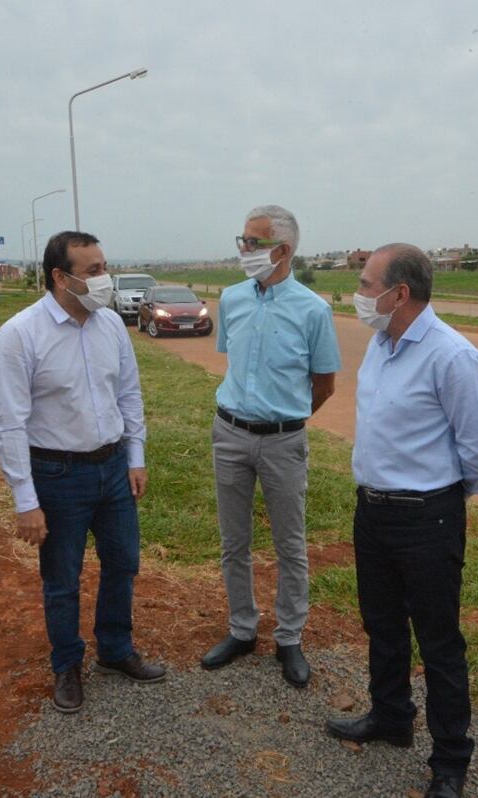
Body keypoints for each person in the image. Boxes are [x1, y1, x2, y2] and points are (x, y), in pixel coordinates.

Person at [326, 244, 478, 798]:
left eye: (365, 282)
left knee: (439, 641)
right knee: (381, 624)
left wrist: (441, 502)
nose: (357, 292)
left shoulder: (452, 356)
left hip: (427, 518)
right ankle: (392, 716)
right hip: (372, 512)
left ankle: (450, 760)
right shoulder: (382, 343)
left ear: (399, 293)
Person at [0, 230, 164, 716]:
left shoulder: (109, 326)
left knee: (123, 563)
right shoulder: (19, 336)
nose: (103, 279)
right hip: (57, 474)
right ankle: (67, 664)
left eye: (104, 267)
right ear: (59, 277)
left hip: (112, 468)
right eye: (92, 271)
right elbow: (8, 424)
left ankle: (115, 649)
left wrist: (136, 457)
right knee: (62, 578)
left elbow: (128, 395)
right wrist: (25, 499)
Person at [200, 205, 341, 687]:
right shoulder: (232, 299)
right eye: (242, 240)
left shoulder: (313, 310)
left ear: (282, 250)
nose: (244, 250)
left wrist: (286, 421)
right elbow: (232, 363)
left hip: (283, 442)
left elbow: (325, 385)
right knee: (233, 542)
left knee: (290, 544)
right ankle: (242, 629)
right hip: (230, 435)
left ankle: (289, 638)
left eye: (253, 243)